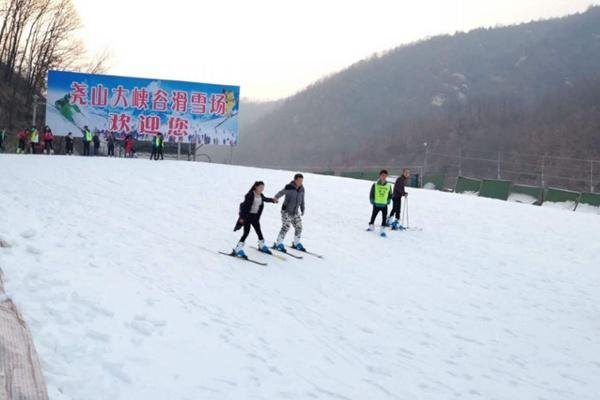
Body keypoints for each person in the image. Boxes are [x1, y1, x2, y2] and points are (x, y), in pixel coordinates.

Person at [232, 181, 278, 257]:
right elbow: (244, 208)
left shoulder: (260, 195)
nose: (262, 189)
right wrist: (242, 218)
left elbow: (265, 199)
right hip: (247, 217)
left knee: (259, 231)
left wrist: (273, 200)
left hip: (255, 217)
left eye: (263, 188)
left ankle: (261, 246)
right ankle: (238, 249)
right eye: (260, 187)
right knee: (246, 233)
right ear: (256, 187)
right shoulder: (250, 195)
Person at [273, 173, 306, 252]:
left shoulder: (302, 189)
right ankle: (278, 244)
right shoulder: (289, 187)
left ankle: (296, 243)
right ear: (295, 180)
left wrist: (302, 208)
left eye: (302, 181)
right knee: (286, 226)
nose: (301, 182)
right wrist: (276, 197)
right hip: (286, 211)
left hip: (295, 212)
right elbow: (281, 192)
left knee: (299, 227)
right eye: (299, 180)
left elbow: (302, 199)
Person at [368, 169, 392, 237]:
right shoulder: (375, 184)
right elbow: (371, 193)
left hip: (384, 205)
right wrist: (371, 199)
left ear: (387, 176)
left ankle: (382, 230)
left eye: (385, 175)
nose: (383, 177)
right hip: (376, 204)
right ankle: (371, 226)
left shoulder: (388, 185)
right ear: (380, 176)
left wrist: (389, 200)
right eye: (382, 175)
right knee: (373, 216)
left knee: (384, 218)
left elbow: (390, 194)